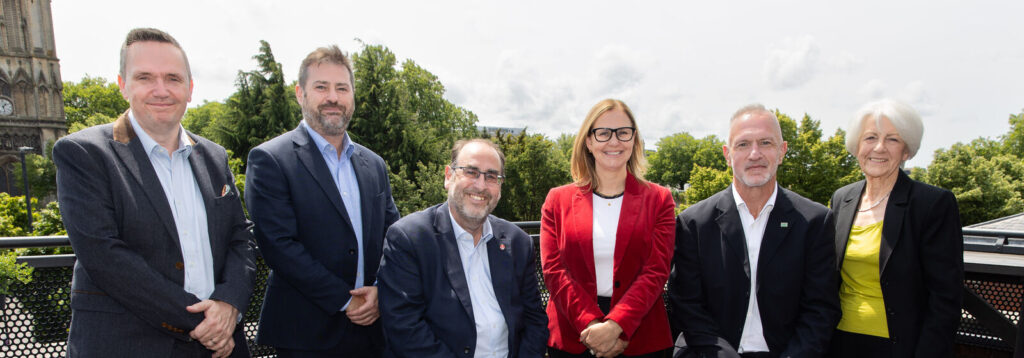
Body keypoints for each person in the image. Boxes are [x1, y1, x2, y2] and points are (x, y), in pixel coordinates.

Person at [54, 28, 255, 358]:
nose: (161, 90)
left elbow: (239, 236)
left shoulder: (214, 157)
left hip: (222, 345)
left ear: (190, 89)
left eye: (173, 79)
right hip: (130, 344)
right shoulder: (83, 153)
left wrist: (229, 302)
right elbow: (104, 255)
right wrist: (204, 321)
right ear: (123, 85)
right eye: (146, 77)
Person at [245, 45, 401, 357]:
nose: (333, 97)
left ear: (352, 96)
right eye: (321, 87)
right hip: (306, 334)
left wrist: (381, 292)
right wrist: (347, 300)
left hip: (373, 331)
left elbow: (394, 239)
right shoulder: (270, 160)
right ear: (300, 94)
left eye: (342, 88)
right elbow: (279, 247)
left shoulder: (374, 164)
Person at [668, 104, 840, 358]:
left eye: (766, 143)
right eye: (743, 144)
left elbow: (820, 310)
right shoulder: (693, 223)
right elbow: (688, 307)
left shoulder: (815, 221)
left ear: (782, 152)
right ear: (728, 154)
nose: (755, 154)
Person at [377, 139, 548, 357]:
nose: (481, 185)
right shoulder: (409, 239)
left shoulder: (518, 242)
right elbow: (405, 328)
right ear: (449, 176)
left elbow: (535, 321)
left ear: (500, 187)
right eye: (471, 172)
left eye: (491, 176)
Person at [826, 99, 963, 357]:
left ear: (906, 151)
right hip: (839, 343)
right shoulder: (841, 199)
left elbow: (945, 298)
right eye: (870, 138)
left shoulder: (932, 204)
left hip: (901, 346)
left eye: (892, 139)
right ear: (857, 146)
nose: (879, 148)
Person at [540, 99, 675, 358]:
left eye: (623, 132)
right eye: (603, 133)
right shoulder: (557, 200)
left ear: (634, 140)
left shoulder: (659, 199)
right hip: (573, 334)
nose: (614, 142)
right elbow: (553, 270)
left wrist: (617, 326)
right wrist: (592, 326)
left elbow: (657, 271)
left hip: (642, 335)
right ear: (588, 142)